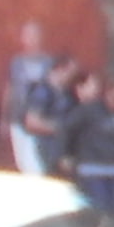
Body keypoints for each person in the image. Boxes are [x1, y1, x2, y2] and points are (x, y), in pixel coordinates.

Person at [61, 73, 114, 219]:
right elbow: (66, 130)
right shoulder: (88, 111)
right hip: (92, 168)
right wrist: (65, 155)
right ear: (108, 94)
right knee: (98, 210)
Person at [5, 21, 60, 176]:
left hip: (39, 119)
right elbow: (10, 88)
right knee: (22, 162)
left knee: (36, 162)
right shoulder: (16, 62)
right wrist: (4, 117)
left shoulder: (48, 62)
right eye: (26, 35)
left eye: (33, 35)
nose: (30, 38)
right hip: (17, 118)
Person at [18, 51, 78, 181]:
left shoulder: (66, 93)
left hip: (59, 152)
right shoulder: (42, 92)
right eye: (70, 73)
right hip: (43, 150)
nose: (72, 78)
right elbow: (32, 122)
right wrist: (59, 128)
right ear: (60, 69)